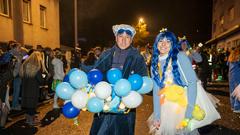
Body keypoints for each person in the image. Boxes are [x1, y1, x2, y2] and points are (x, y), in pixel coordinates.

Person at [88, 24, 147, 135]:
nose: (123, 40)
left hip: (125, 107)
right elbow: (95, 74)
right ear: (116, 37)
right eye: (121, 36)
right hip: (104, 103)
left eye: (127, 37)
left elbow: (143, 80)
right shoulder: (106, 54)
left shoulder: (137, 57)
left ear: (131, 40)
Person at [148, 29, 199, 135]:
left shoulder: (180, 56)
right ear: (156, 43)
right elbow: (157, 91)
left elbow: (192, 83)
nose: (163, 44)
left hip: (182, 106)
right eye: (161, 41)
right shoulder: (154, 62)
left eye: (168, 41)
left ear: (173, 44)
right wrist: (157, 115)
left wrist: (189, 112)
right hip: (165, 108)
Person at [20, 51, 47, 126]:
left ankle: (28, 119)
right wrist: (44, 76)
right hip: (33, 90)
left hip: (25, 89)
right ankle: (31, 121)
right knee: (32, 106)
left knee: (28, 106)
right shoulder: (36, 68)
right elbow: (40, 80)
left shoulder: (25, 65)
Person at [228, 48, 240, 113]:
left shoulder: (231, 57)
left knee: (232, 91)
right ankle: (237, 107)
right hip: (237, 75)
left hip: (231, 76)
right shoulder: (238, 58)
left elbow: (228, 64)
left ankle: (233, 106)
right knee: (237, 91)